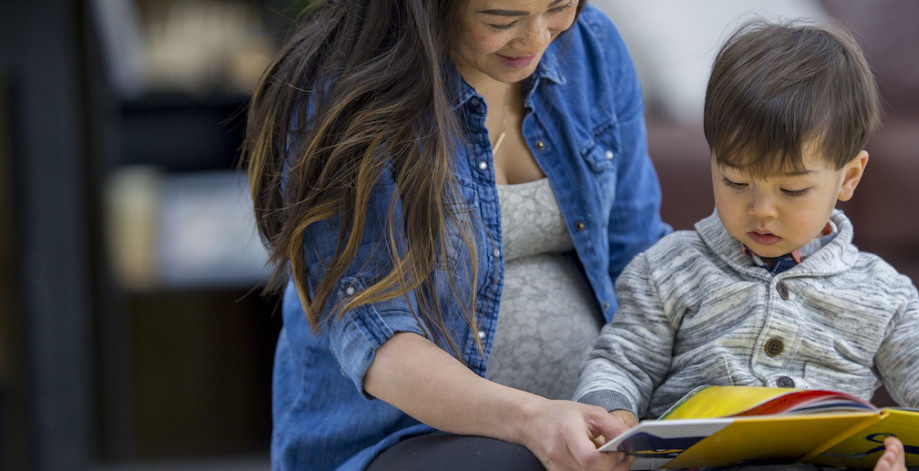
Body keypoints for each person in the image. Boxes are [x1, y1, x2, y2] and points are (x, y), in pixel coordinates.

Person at [572, 18, 919, 470]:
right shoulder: (667, 268)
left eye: (793, 189)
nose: (762, 209)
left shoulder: (883, 293)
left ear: (848, 177)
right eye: (735, 181)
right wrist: (609, 418)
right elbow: (623, 362)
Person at [243, 0, 669, 469]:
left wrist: (628, 398)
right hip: (401, 437)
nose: (538, 39)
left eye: (559, 6)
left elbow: (639, 259)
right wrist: (533, 419)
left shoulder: (592, 46)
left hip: (587, 415)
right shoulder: (342, 96)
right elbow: (379, 337)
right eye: (500, 20)